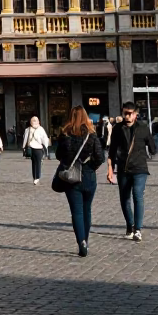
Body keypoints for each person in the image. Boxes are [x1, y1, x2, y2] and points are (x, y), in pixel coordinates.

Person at [55, 106, 105, 256]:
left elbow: (58, 154)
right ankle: (86, 240)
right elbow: (100, 157)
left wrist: (69, 161)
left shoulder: (65, 134)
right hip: (89, 175)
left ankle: (81, 242)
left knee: (76, 211)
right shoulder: (91, 134)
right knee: (87, 210)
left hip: (72, 177)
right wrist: (91, 167)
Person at [107, 101, 155, 242]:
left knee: (137, 195)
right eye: (124, 113)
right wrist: (110, 169)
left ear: (135, 114)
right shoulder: (117, 129)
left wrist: (154, 146)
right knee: (124, 198)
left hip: (140, 168)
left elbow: (152, 147)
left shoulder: (143, 128)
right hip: (123, 168)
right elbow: (112, 151)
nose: (127, 116)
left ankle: (138, 229)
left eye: (129, 114)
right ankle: (130, 224)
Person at [21, 115, 50, 184]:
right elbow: (25, 139)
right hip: (30, 148)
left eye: (35, 120)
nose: (34, 122)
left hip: (39, 148)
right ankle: (34, 177)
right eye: (33, 120)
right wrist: (23, 148)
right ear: (30, 122)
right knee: (33, 163)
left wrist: (46, 148)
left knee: (38, 163)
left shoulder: (41, 129)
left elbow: (45, 139)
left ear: (38, 121)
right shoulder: (27, 129)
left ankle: (37, 177)